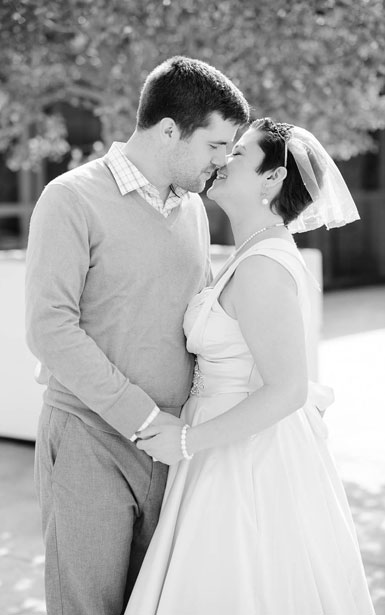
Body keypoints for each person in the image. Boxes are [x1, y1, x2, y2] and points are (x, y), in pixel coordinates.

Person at [24, 56, 250, 615]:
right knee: (87, 605)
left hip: (175, 446)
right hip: (89, 436)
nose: (222, 162)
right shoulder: (69, 198)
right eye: (216, 146)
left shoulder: (194, 209)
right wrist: (145, 420)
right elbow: (49, 328)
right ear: (170, 130)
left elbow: (198, 323)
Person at [125, 119, 374, 614]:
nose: (221, 160)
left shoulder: (263, 266)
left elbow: (287, 390)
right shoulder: (252, 253)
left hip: (243, 458)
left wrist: (185, 441)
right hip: (220, 439)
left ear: (271, 179)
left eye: (237, 154)